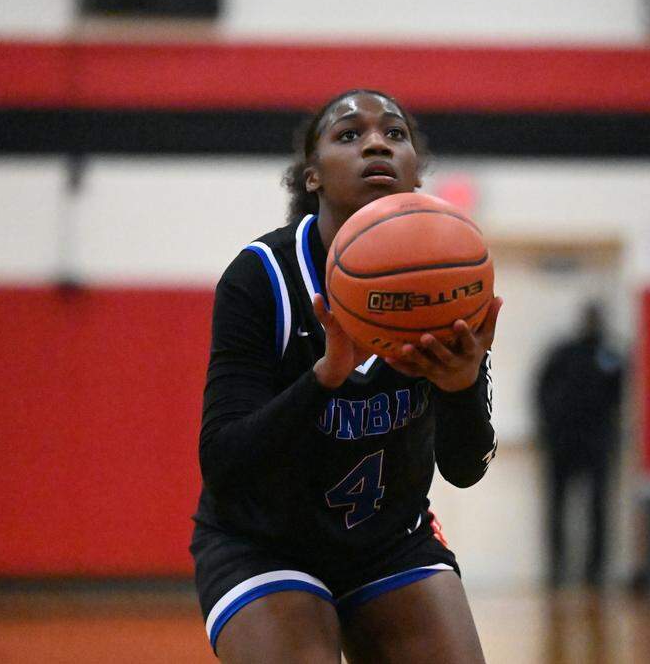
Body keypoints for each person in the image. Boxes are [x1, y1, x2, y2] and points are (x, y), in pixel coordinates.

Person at [190, 89, 502, 662]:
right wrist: (324, 377)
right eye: (350, 134)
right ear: (312, 176)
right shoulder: (263, 278)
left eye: (395, 133)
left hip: (389, 539)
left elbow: (465, 469)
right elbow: (224, 464)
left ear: (413, 171)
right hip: (262, 541)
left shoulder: (448, 282)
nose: (377, 142)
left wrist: (462, 389)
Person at [534, 302, 624, 586]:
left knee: (598, 509)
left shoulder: (611, 357)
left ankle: (594, 573)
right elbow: (540, 390)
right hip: (562, 443)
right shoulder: (563, 354)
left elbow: (617, 400)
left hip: (596, 443)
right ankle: (557, 570)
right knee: (557, 508)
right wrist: (550, 427)